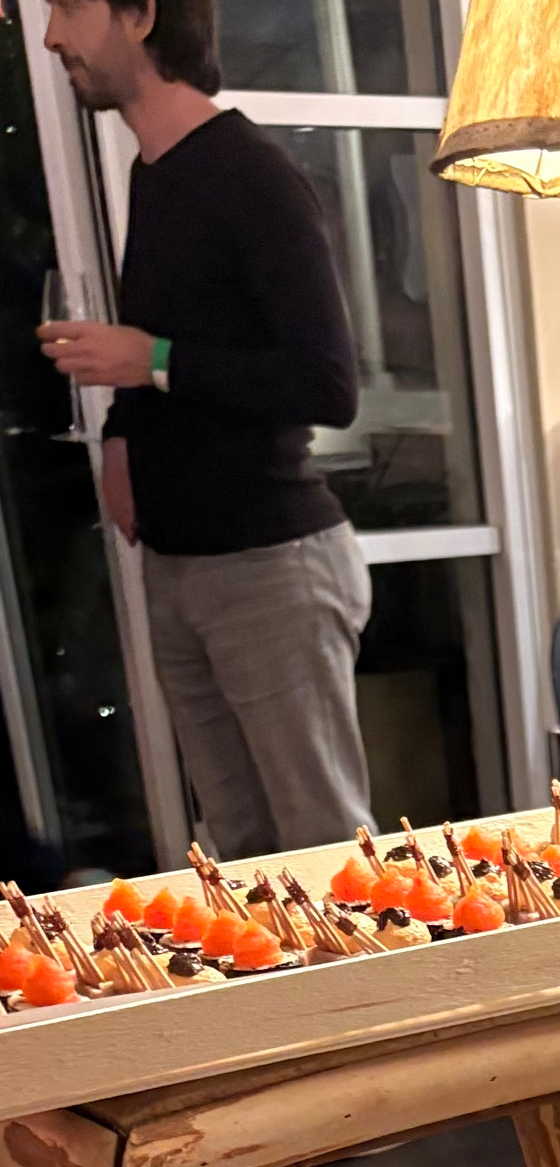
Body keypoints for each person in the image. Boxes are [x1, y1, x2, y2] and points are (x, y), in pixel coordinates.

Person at [38, 0, 372, 858]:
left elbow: (327, 385)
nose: (51, 38)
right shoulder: (154, 171)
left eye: (68, 9)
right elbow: (165, 338)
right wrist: (120, 433)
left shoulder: (252, 174)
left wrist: (148, 358)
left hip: (271, 567)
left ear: (142, 15)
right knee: (242, 854)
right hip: (180, 568)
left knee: (325, 849)